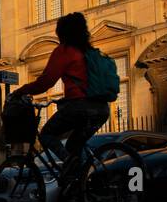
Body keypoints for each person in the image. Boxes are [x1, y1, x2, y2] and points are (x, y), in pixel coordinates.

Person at [13, 12, 110, 173]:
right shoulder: (89, 52)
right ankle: (83, 185)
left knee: (46, 134)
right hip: (101, 109)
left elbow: (46, 82)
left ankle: (69, 162)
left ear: (62, 33)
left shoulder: (65, 51)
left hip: (81, 108)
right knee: (73, 146)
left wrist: (20, 91)